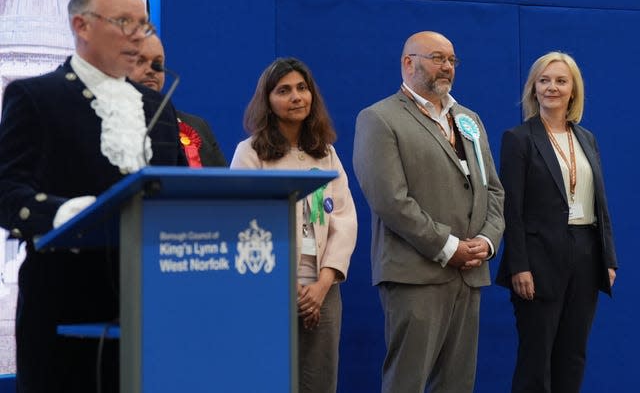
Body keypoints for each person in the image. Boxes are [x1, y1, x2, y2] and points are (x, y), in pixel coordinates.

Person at [0, 0, 186, 393]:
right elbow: (8, 194)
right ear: (81, 26)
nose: (138, 35)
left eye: (144, 24)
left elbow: (179, 192)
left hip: (150, 306)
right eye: (124, 22)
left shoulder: (158, 105)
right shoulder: (36, 97)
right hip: (64, 303)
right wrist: (73, 213)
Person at [353, 31, 505, 393]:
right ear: (408, 62)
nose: (447, 67)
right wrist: (449, 247)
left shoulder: (469, 119)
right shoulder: (379, 118)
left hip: (470, 274)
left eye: (452, 60)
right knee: (407, 381)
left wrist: (487, 239)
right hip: (415, 274)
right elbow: (390, 200)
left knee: (457, 383)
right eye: (438, 58)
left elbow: (494, 190)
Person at [230, 57, 357, 393]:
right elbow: (245, 225)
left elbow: (344, 220)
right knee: (267, 378)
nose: (296, 97)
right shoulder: (250, 153)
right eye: (284, 91)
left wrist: (321, 286)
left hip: (324, 289)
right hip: (268, 287)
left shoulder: (326, 153)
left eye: (302, 88)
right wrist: (292, 288)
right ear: (268, 102)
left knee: (320, 382)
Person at [496, 51, 618, 393]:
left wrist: (608, 259)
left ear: (573, 90)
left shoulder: (587, 138)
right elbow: (512, 210)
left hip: (586, 255)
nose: (552, 87)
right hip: (537, 260)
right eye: (544, 80)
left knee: (573, 355)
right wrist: (519, 265)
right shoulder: (518, 138)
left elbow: (600, 203)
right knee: (536, 359)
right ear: (533, 89)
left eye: (561, 81)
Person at [129, 34, 227, 167]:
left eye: (157, 63)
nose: (151, 71)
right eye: (140, 61)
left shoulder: (198, 126)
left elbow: (222, 183)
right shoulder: (113, 123)